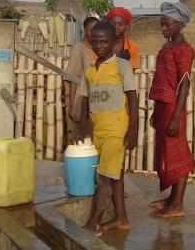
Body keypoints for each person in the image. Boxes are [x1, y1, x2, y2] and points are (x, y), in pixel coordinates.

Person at [77, 20, 138, 235]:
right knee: (115, 175)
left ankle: (93, 221)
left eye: (104, 42)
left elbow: (132, 98)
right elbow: (85, 99)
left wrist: (133, 130)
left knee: (104, 178)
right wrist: (82, 126)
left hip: (116, 130)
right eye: (95, 42)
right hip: (99, 131)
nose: (99, 46)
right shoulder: (90, 71)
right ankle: (122, 219)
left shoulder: (122, 66)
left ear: (113, 43)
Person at [148, 1, 195, 218]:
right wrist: (155, 111)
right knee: (166, 152)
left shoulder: (185, 51)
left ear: (180, 24)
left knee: (177, 153)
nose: (163, 28)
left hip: (173, 108)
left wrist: (176, 117)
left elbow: (184, 85)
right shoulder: (168, 47)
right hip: (163, 106)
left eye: (167, 24)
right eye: (162, 24)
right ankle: (171, 198)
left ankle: (177, 205)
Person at [64, 16, 99, 138]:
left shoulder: (99, 48)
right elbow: (72, 78)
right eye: (91, 30)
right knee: (80, 140)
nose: (94, 33)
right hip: (80, 100)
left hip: (96, 100)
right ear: (84, 30)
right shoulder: (79, 48)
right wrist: (72, 105)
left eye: (96, 30)